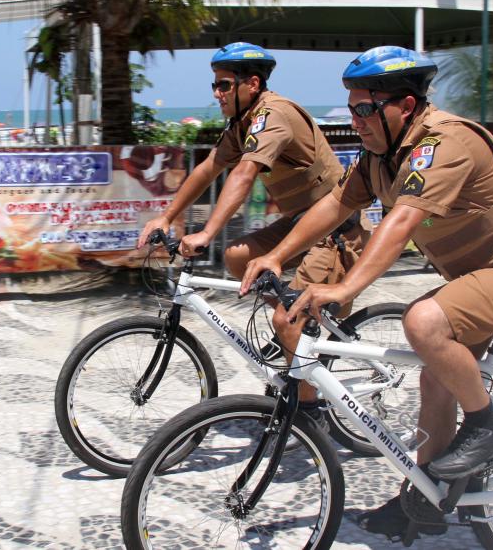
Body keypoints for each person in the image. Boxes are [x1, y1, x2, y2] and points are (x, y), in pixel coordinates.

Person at [239, 46, 493, 540]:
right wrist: (277, 255)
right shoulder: (381, 156)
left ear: (404, 106)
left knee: (422, 322)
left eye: (365, 108)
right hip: (474, 279)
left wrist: (345, 286)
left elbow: (403, 219)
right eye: (350, 109)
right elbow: (335, 203)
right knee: (435, 381)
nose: (355, 119)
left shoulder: (444, 143)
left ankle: (486, 426)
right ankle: (426, 501)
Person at [137, 42, 370, 413]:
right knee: (237, 257)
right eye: (215, 85)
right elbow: (208, 168)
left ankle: (308, 415)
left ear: (252, 84)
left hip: (336, 232)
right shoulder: (242, 123)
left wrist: (206, 233)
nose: (217, 93)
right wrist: (166, 216)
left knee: (286, 319)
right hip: (299, 225)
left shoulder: (272, 115)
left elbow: (244, 174)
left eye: (224, 85)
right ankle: (294, 337)